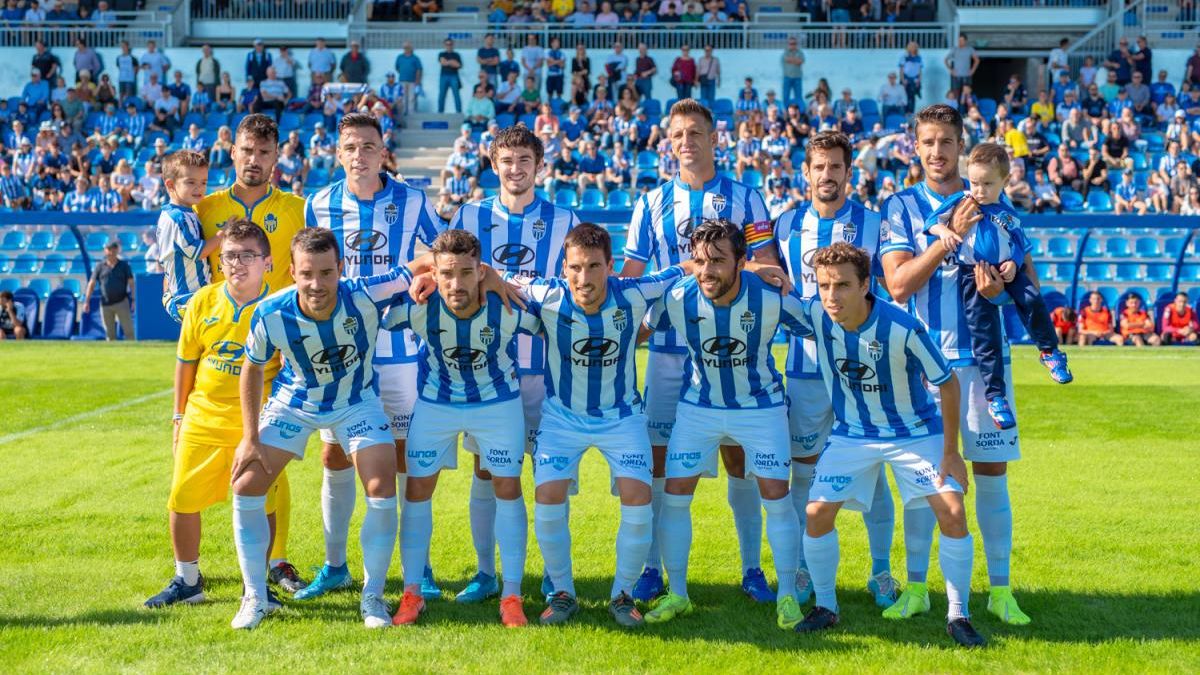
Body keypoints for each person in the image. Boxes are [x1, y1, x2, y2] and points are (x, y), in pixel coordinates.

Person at [621, 99, 782, 604]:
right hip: (670, 352)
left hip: (736, 350)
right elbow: (633, 279)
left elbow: (770, 269)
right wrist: (683, 276)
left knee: (740, 462)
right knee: (661, 465)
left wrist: (710, 270)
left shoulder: (746, 198)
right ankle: (652, 568)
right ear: (667, 142)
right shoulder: (650, 203)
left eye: (695, 133)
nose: (686, 141)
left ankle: (753, 568)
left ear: (716, 139)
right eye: (677, 134)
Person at [880, 104, 1032, 629]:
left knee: (991, 475)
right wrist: (947, 238)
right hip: (923, 365)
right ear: (915, 147)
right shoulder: (900, 208)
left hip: (985, 367)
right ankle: (918, 589)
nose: (938, 151)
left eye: (947, 141)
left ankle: (1002, 591)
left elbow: (1023, 286)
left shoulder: (993, 200)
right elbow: (898, 285)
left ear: (961, 145)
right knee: (925, 479)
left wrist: (1001, 287)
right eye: (928, 142)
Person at [790, 242, 984, 648]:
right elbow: (775, 299)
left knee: (952, 511)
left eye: (842, 285)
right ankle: (826, 607)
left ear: (866, 285)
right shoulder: (814, 313)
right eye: (824, 285)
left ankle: (958, 614)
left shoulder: (903, 328)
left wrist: (951, 451)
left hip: (914, 431)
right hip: (853, 433)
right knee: (816, 512)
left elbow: (947, 384)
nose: (831, 296)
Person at [228, 228, 415, 630]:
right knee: (245, 483)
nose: (317, 284)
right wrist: (249, 437)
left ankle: (373, 597)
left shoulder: (364, 293)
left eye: (327, 273)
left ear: (341, 270)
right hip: (295, 404)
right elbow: (252, 367)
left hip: (356, 403)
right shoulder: (271, 312)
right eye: (307, 273)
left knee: (382, 487)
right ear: (292, 271)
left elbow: (424, 264)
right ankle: (256, 596)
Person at [298, 112, 448, 602]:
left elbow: (440, 252)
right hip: (339, 350)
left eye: (368, 146)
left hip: (401, 347)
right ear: (337, 153)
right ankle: (335, 564)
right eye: (350, 147)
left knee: (405, 457)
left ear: (383, 152)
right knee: (333, 452)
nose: (359, 155)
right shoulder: (318, 203)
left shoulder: (412, 200)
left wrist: (419, 274)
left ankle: (417, 565)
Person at [640, 218, 805, 630]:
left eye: (717, 261)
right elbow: (635, 331)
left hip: (760, 409)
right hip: (698, 407)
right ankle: (677, 593)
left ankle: (787, 595)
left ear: (741, 261)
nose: (707, 271)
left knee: (775, 497)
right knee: (675, 493)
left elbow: (825, 326)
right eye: (699, 261)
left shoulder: (772, 297)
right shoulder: (677, 296)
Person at [448, 124, 580, 603]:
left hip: (550, 370)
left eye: (525, 160)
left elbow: (575, 287)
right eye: (507, 161)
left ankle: (552, 573)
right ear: (493, 165)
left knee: (551, 474)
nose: (515, 169)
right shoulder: (469, 215)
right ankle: (487, 573)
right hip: (490, 368)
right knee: (487, 470)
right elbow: (450, 277)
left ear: (539, 166)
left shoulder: (565, 219)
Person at [771, 130, 900, 609]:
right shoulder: (784, 226)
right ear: (806, 174)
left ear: (850, 172)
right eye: (818, 167)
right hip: (805, 371)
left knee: (875, 469)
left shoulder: (874, 224)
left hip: (862, 370)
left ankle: (881, 571)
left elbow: (892, 289)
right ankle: (805, 566)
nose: (827, 175)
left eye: (835, 167)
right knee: (803, 472)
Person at [143, 220, 301, 610]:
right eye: (230, 255)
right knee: (182, 496)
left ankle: (257, 586)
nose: (237, 263)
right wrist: (178, 416)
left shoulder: (281, 307)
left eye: (247, 255)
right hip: (203, 415)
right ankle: (188, 579)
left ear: (267, 262)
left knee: (260, 501)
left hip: (257, 419)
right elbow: (185, 363)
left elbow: (292, 369)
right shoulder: (202, 301)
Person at [386, 229, 535, 628]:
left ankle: (511, 594)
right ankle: (412, 592)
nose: (456, 284)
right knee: (417, 490)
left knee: (507, 487)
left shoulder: (506, 306)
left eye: (466, 273)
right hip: (436, 406)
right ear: (434, 272)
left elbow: (553, 320)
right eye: (446, 273)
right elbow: (367, 308)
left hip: (497, 405)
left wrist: (502, 280)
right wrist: (413, 276)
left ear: (481, 271)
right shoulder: (417, 306)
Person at [925, 143, 1072, 429]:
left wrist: (1015, 263)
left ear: (1005, 182)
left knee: (1031, 298)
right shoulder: (962, 201)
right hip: (972, 273)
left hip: (1008, 273)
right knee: (985, 334)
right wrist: (944, 231)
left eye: (987, 184)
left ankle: (1050, 352)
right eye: (975, 182)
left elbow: (1019, 243)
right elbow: (933, 221)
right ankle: (995, 397)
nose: (979, 190)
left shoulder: (1007, 210)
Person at [197, 114, 307, 298]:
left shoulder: (300, 210)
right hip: (221, 325)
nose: (253, 161)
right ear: (233, 152)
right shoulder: (202, 209)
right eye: (247, 150)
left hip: (277, 324)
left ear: (276, 156)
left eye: (264, 152)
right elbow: (177, 271)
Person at [157, 150, 223, 323]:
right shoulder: (178, 218)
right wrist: (223, 234)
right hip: (189, 299)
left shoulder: (183, 213)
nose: (199, 188)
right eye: (191, 182)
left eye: (203, 182)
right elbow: (198, 252)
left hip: (186, 296)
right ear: (170, 185)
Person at [85, 240, 134, 341]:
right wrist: (87, 301)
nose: (111, 252)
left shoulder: (124, 265)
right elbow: (92, 283)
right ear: (105, 251)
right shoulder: (100, 266)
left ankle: (133, 353)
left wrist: (133, 299)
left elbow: (131, 283)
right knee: (109, 334)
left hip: (122, 302)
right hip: (105, 304)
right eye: (108, 250)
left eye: (113, 250)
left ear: (117, 251)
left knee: (129, 332)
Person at [438, 38, 463, 114]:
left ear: (453, 45)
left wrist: (448, 62)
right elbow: (443, 63)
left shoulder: (456, 55)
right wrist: (452, 62)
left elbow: (458, 65)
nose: (449, 46)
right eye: (447, 44)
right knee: (442, 95)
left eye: (450, 44)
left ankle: (458, 111)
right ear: (444, 45)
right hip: (444, 76)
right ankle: (440, 111)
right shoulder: (441, 54)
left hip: (454, 76)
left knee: (456, 95)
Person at [781, 36, 804, 105]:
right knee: (786, 96)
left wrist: (792, 60)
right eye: (791, 44)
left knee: (798, 96)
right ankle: (786, 112)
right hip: (787, 77)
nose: (793, 45)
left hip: (797, 77)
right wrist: (796, 60)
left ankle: (799, 112)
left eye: (794, 43)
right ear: (788, 44)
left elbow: (800, 61)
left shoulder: (800, 52)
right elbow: (787, 59)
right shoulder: (785, 52)